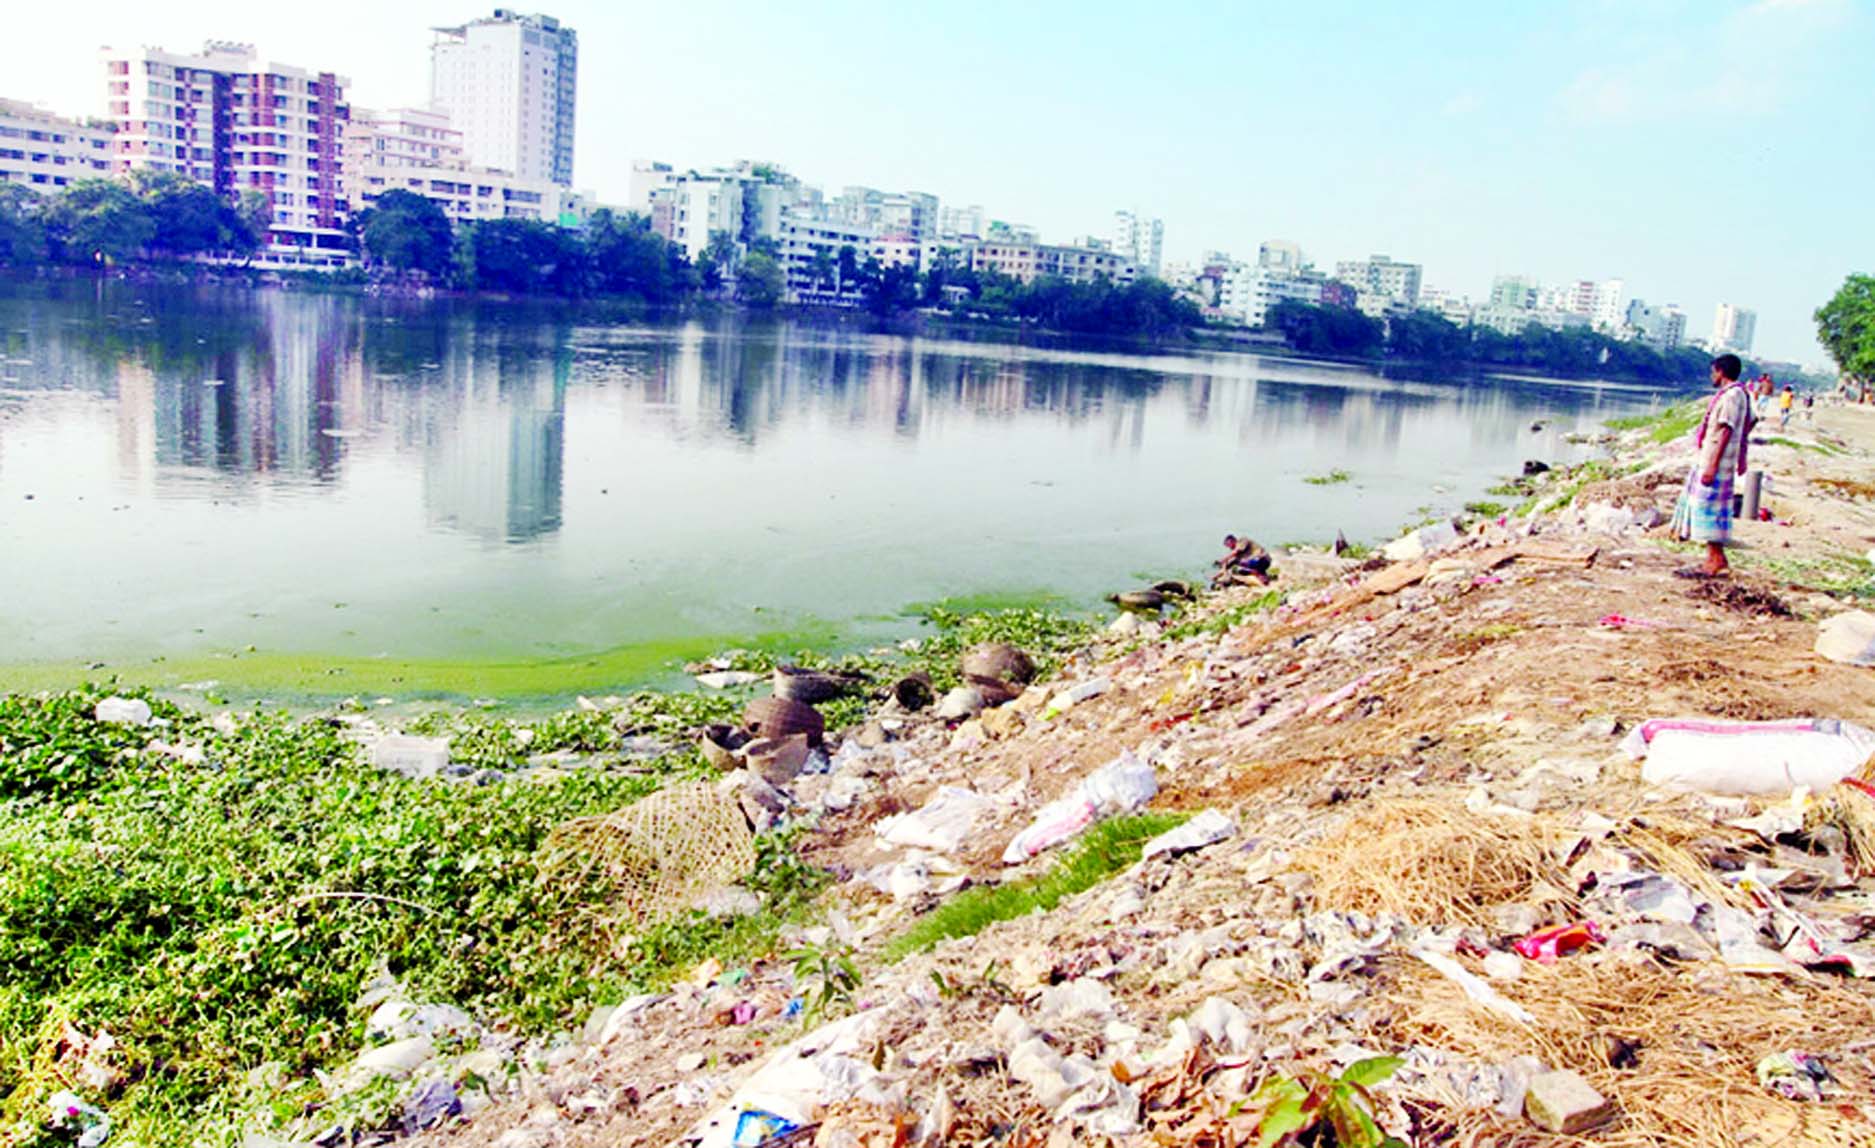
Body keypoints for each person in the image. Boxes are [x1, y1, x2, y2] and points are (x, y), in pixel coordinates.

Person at [1670, 354, 1752, 578]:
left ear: (1721, 372)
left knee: (1709, 509)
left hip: (1716, 463)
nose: (1711, 376)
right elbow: (1748, 424)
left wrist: (1712, 466)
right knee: (1708, 508)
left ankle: (1716, 558)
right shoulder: (1738, 393)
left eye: (1713, 372)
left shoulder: (1732, 396)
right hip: (1716, 460)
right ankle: (1713, 557)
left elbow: (1726, 430)